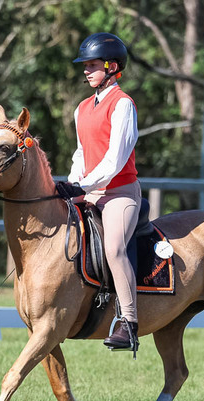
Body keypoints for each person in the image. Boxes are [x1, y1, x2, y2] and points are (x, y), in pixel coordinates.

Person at [56, 32, 141, 352]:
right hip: (90, 190)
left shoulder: (123, 105)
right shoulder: (81, 108)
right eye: (85, 66)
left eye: (91, 65)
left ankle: (129, 322)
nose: (86, 71)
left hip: (120, 192)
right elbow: (81, 153)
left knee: (114, 248)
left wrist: (83, 185)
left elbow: (115, 160)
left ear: (112, 66)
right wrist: (70, 183)